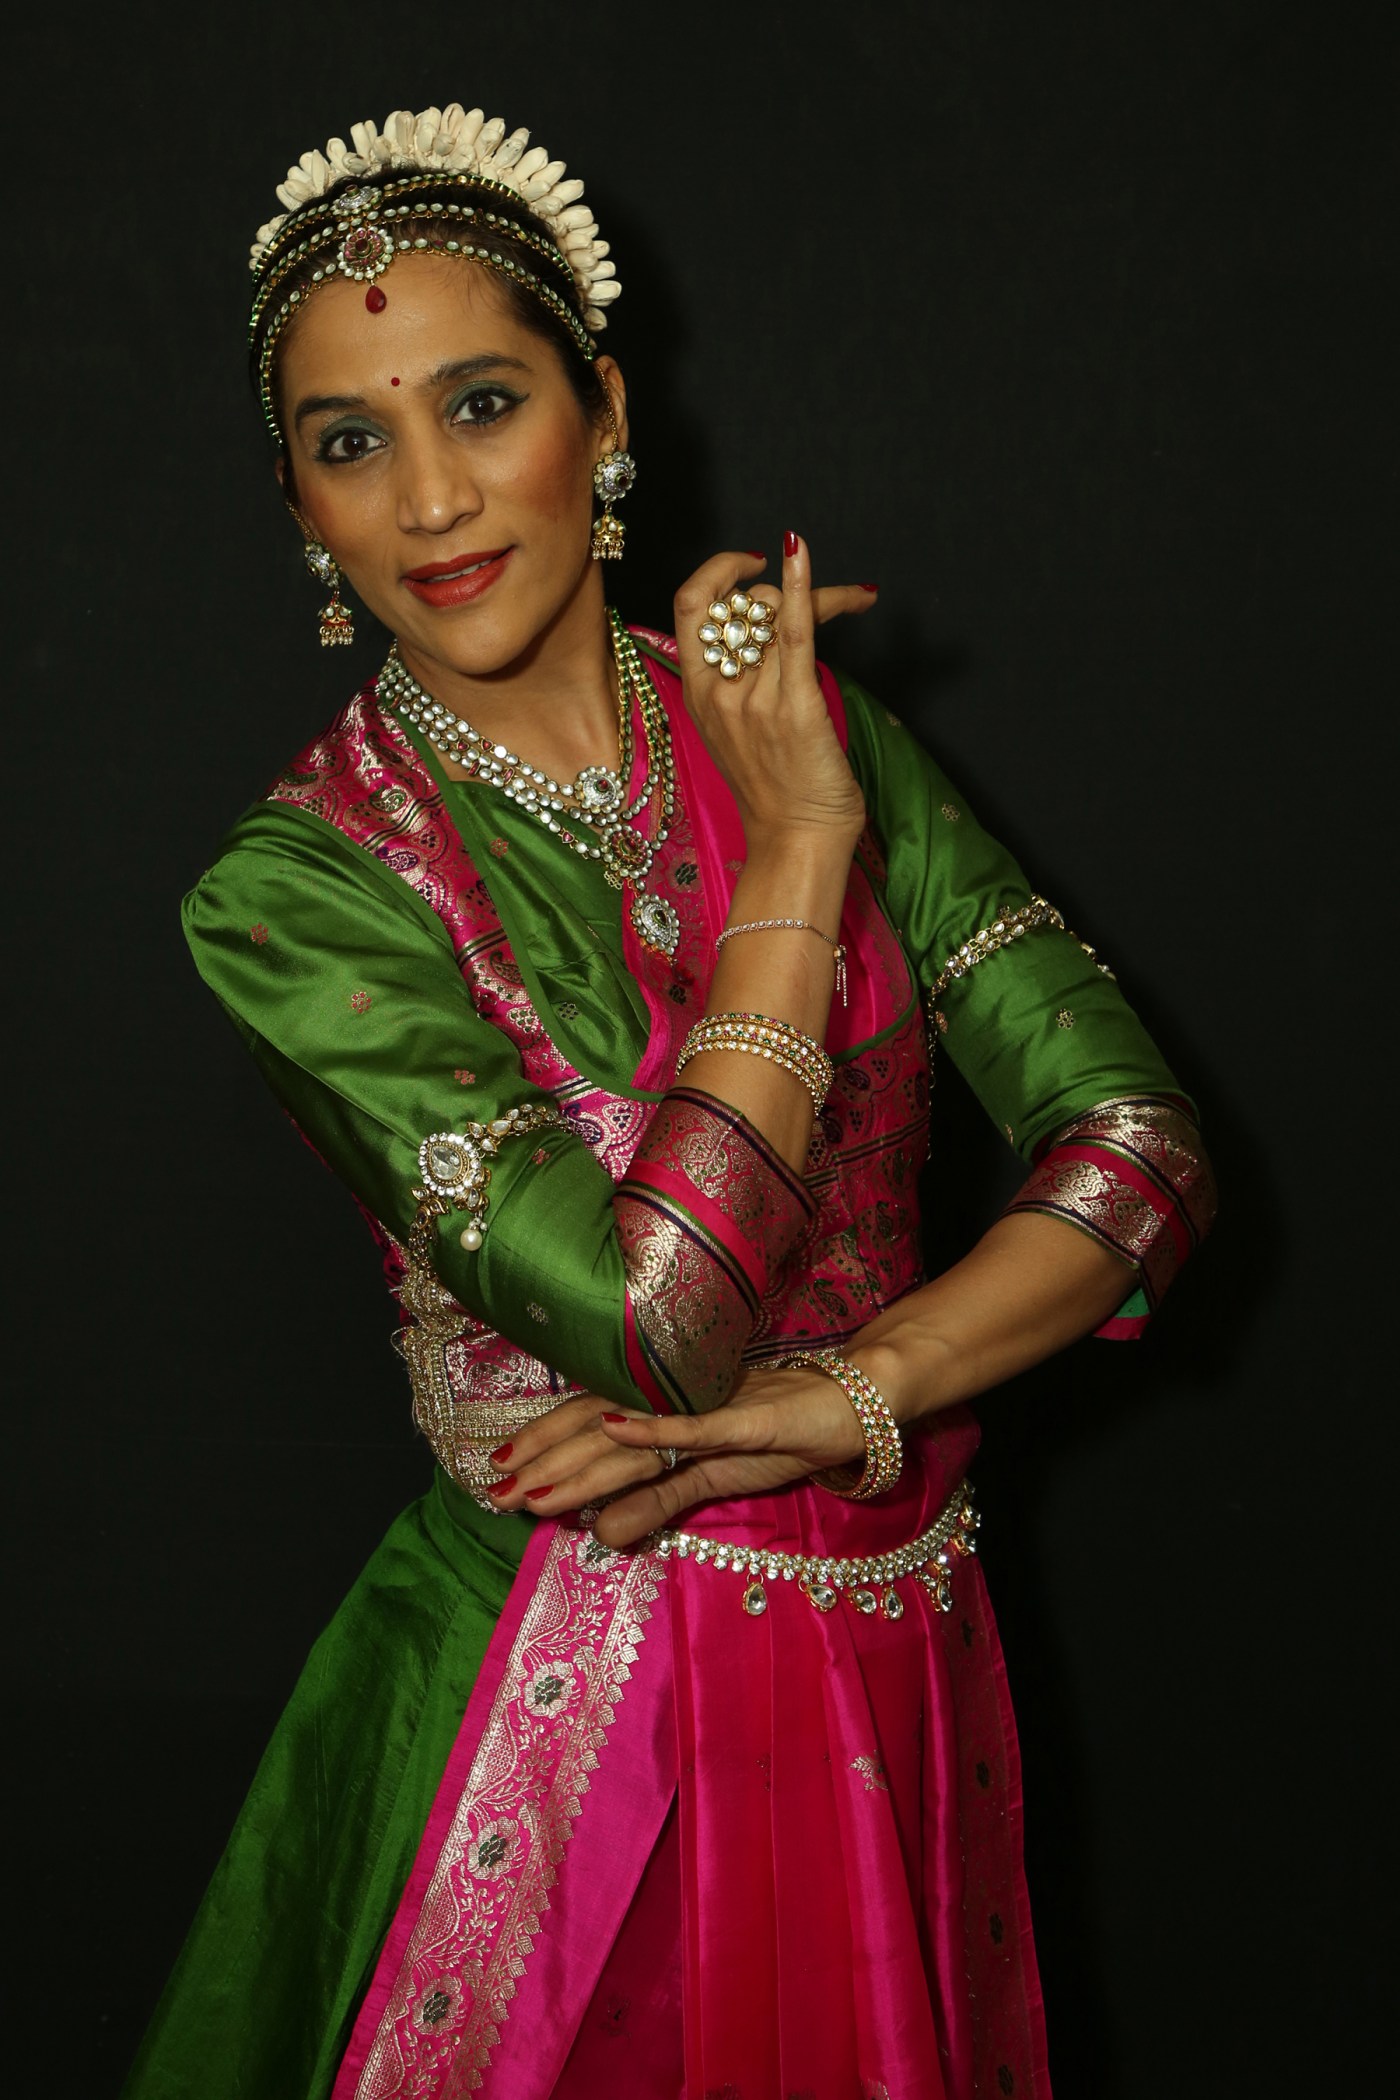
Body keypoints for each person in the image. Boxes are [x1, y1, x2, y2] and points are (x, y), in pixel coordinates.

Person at [124, 100, 1216, 2100]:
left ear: (604, 414)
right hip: (567, 1704)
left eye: (483, 403)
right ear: (299, 508)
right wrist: (797, 851)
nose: (432, 498)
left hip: (892, 1641)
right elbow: (657, 1327)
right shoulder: (297, 893)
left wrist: (853, 1396)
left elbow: (1136, 1150)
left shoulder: (813, 728)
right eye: (350, 444)